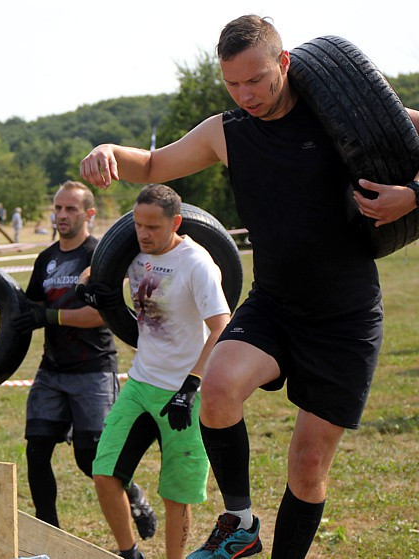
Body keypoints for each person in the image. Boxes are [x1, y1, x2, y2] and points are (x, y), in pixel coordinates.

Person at [80, 15, 419, 559]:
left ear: (284, 62)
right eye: (232, 83)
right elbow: (155, 163)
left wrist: (413, 195)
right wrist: (109, 152)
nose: (245, 95)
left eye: (256, 80)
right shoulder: (227, 131)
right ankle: (240, 524)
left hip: (346, 317)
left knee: (307, 466)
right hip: (275, 303)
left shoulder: (336, 115)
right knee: (216, 391)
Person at [78, 184, 230, 559]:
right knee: (104, 473)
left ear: (175, 223)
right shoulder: (134, 251)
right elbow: (94, 269)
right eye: (138, 225)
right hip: (141, 384)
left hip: (184, 394)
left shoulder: (196, 263)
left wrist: (191, 385)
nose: (143, 234)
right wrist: (86, 287)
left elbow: (221, 327)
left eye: (153, 227)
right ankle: (129, 553)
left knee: (176, 495)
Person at [11, 180, 157, 538]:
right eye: (58, 208)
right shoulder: (46, 259)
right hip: (52, 370)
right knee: (37, 451)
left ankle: (134, 495)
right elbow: (31, 308)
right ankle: (49, 534)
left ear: (89, 213)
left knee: (90, 459)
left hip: (93, 369)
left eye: (70, 209)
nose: (62, 215)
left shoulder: (99, 256)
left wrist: (50, 316)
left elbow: (101, 315)